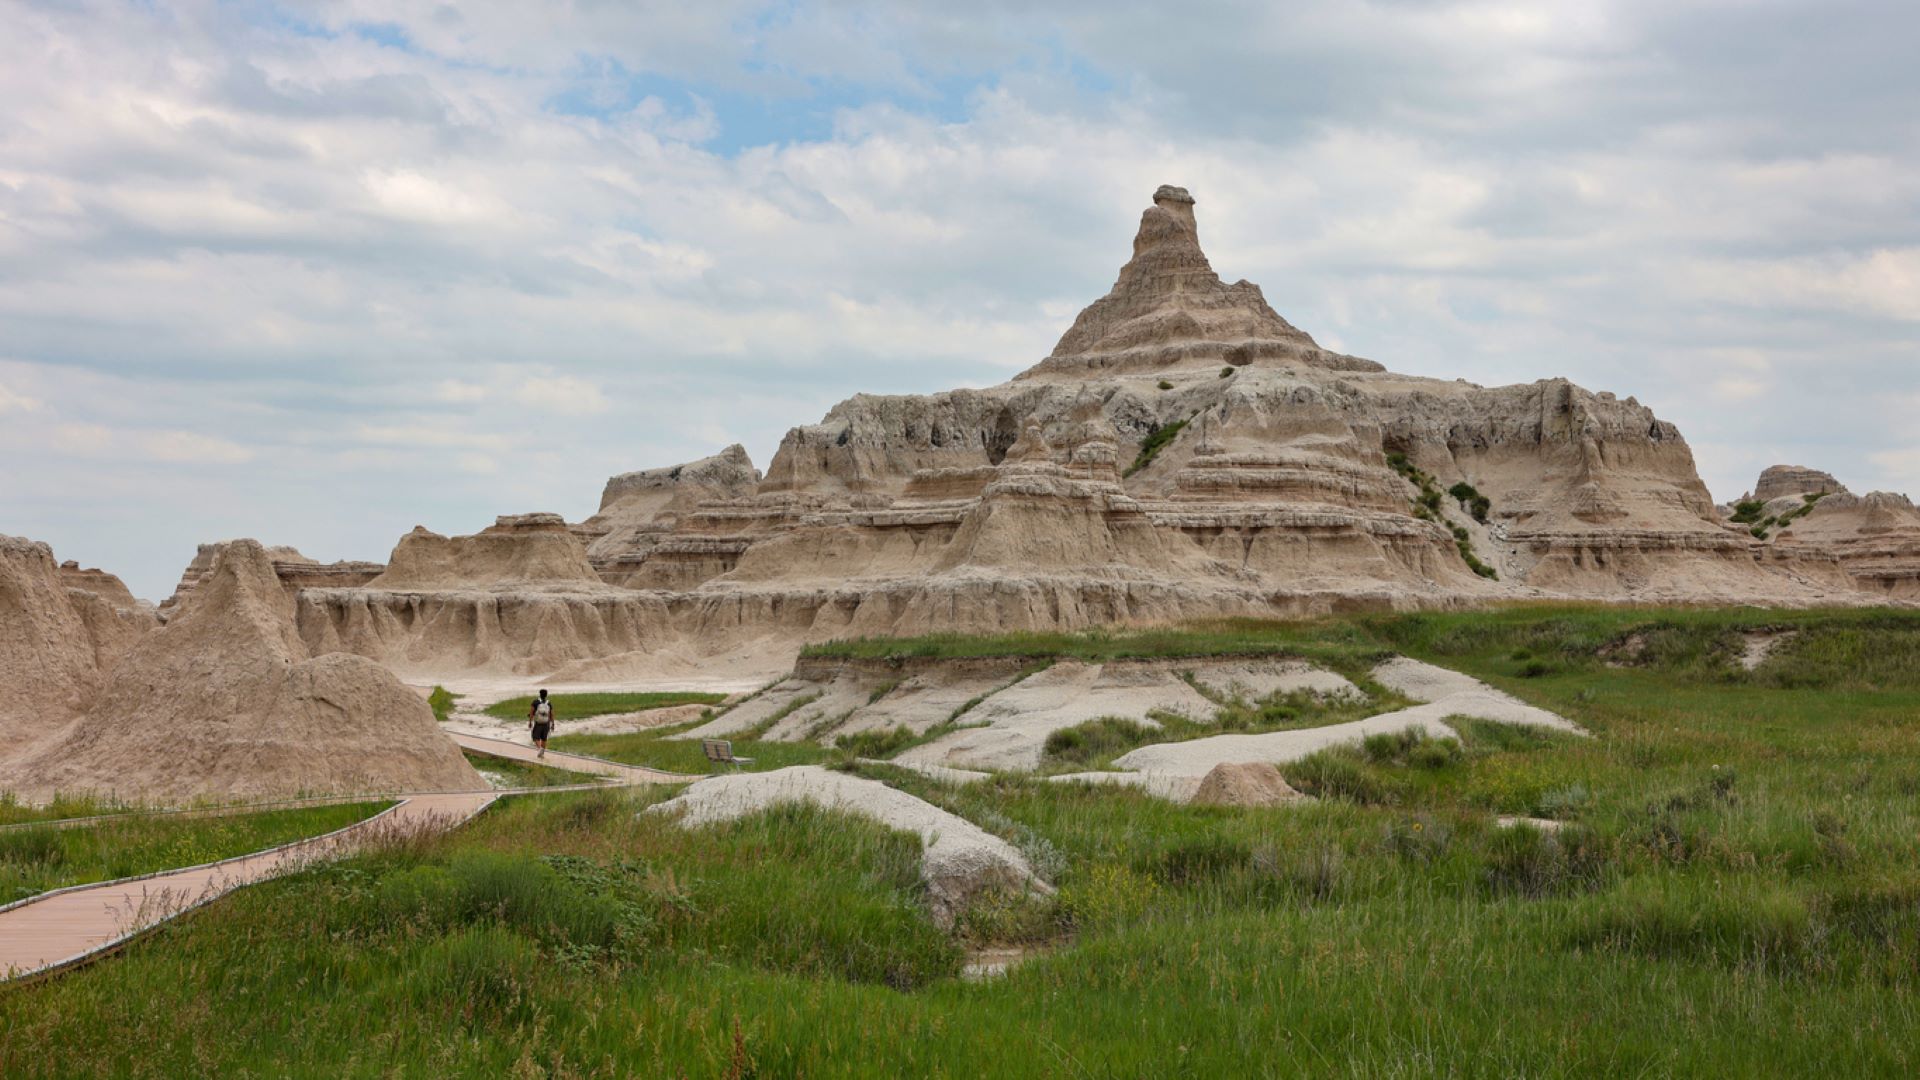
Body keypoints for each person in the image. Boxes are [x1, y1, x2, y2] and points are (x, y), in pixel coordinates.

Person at [528, 689, 554, 759]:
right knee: (544, 739)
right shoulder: (548, 703)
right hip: (546, 723)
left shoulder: (535, 702)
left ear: (540, 694)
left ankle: (539, 750)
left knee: (535, 737)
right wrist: (553, 724)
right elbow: (551, 714)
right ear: (546, 695)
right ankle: (542, 754)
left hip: (538, 723)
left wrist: (530, 722)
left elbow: (531, 713)